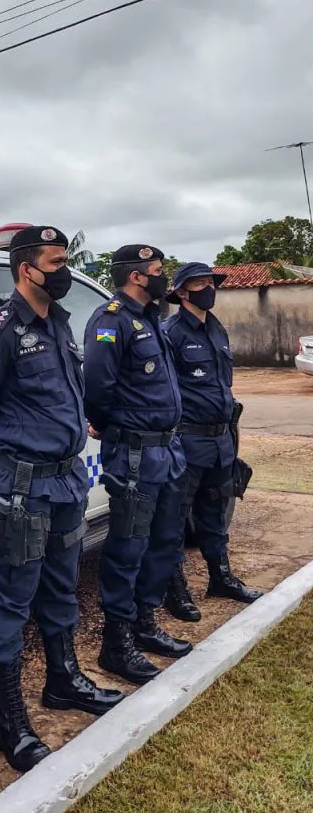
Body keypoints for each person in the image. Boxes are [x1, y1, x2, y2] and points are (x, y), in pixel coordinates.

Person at [0, 226, 124, 774]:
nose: (65, 269)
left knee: (60, 583)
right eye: (57, 261)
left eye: (66, 259)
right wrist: (9, 462)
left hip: (68, 481)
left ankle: (63, 680)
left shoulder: (61, 325)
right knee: (11, 598)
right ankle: (8, 721)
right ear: (27, 269)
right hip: (24, 486)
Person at [83, 244, 192, 686]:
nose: (163, 276)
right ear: (135, 277)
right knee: (128, 546)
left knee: (165, 540)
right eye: (157, 270)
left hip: (167, 450)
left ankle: (145, 623)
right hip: (134, 452)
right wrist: (113, 428)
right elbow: (98, 388)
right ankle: (117, 641)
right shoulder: (110, 319)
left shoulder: (151, 319)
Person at [161, 262, 263, 621]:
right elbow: (166, 392)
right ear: (181, 291)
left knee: (215, 515)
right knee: (174, 522)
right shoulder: (170, 332)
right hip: (187, 442)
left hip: (220, 440)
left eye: (211, 281)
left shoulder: (216, 328)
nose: (209, 288)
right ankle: (176, 592)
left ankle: (221, 579)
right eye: (200, 283)